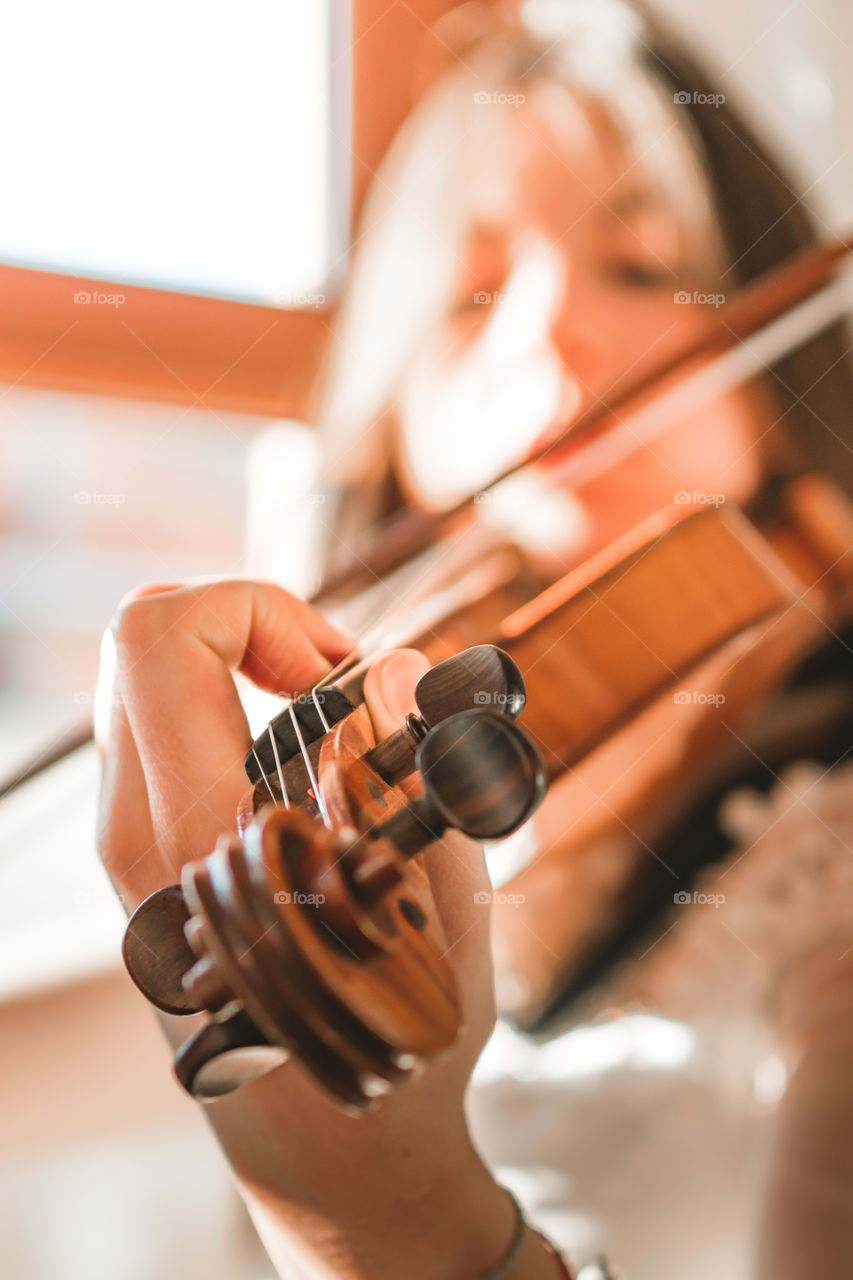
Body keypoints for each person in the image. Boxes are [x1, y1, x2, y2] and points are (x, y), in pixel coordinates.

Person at [97, 2, 853, 1276]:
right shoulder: (375, 753)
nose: (550, 331)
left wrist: (403, 1227)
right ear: (395, 410)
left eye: (639, 264)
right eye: (474, 287)